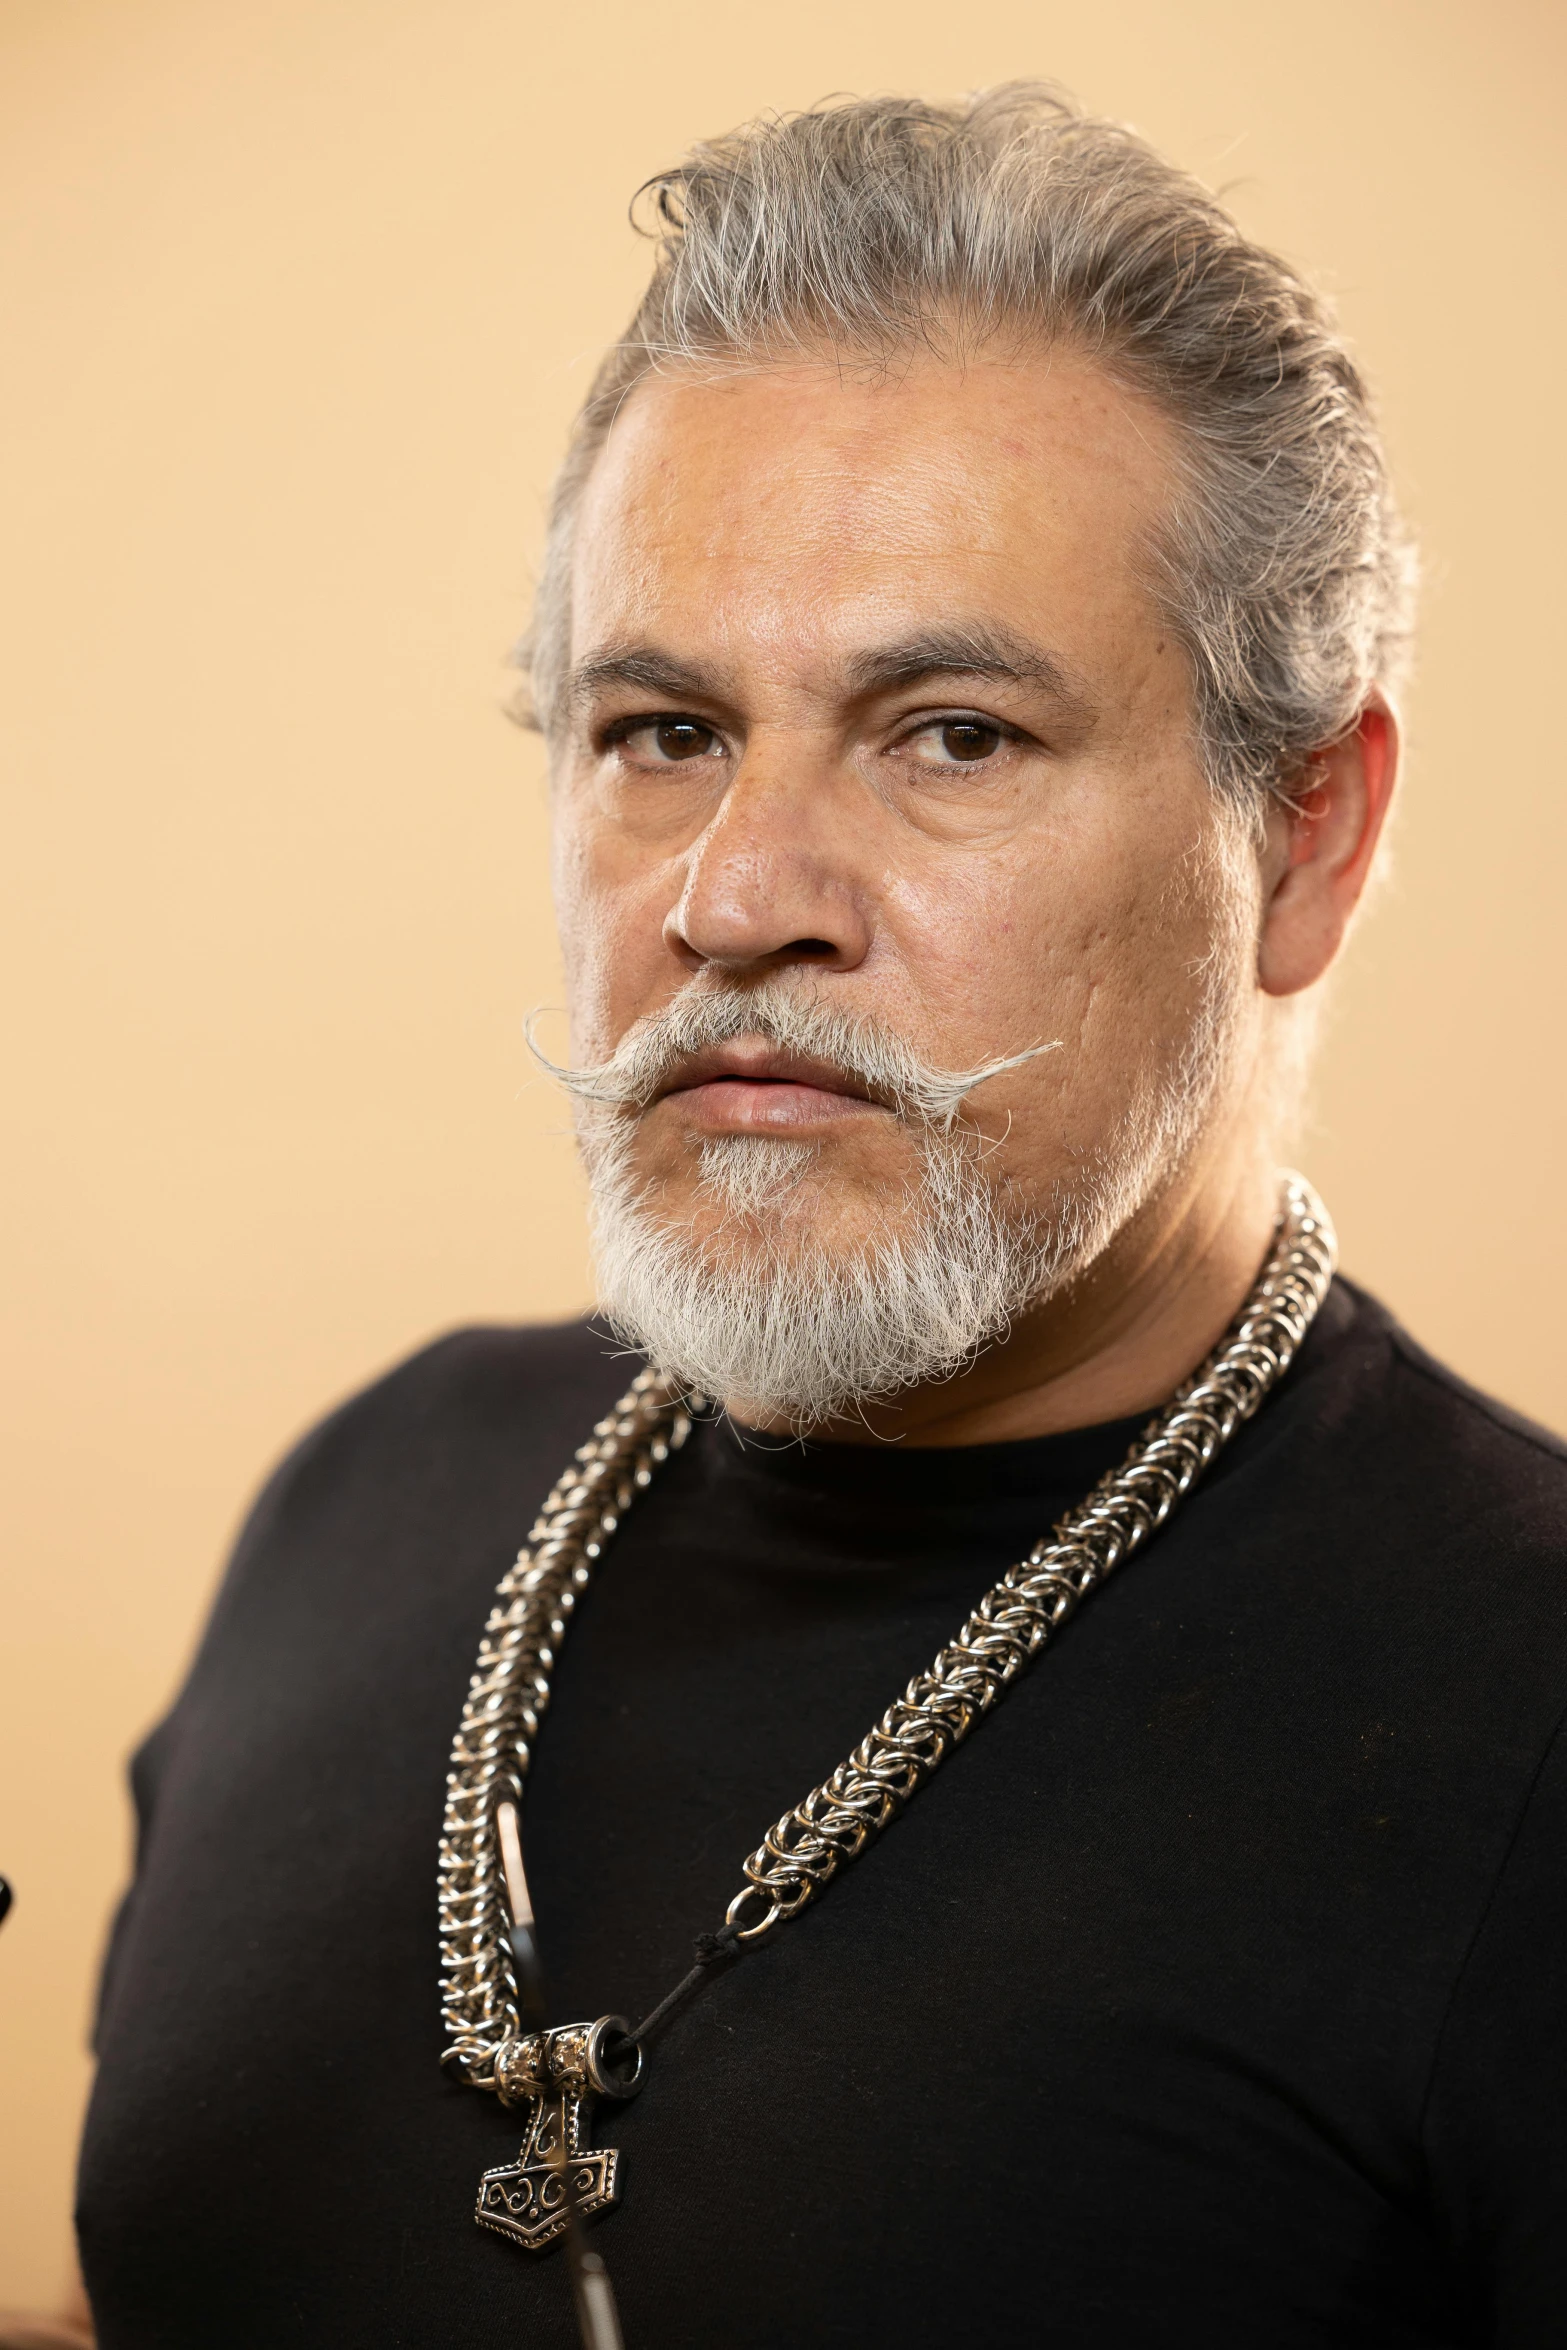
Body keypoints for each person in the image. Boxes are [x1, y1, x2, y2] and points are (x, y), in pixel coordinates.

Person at [50, 84, 1567, 2350]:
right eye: (660, 726)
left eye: (950, 733)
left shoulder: (1523, 1721)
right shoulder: (364, 1496)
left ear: (1311, 832)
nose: (738, 896)